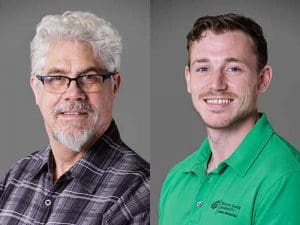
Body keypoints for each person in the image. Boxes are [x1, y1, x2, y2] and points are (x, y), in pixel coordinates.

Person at [0, 11, 149, 225]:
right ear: (36, 88)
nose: (73, 93)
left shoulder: (138, 195)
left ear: (114, 86)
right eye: (57, 78)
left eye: (89, 77)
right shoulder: (16, 176)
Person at [159, 13, 300, 225]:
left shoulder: (286, 179)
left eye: (233, 68)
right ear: (188, 78)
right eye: (203, 68)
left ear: (262, 79)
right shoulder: (177, 177)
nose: (216, 84)